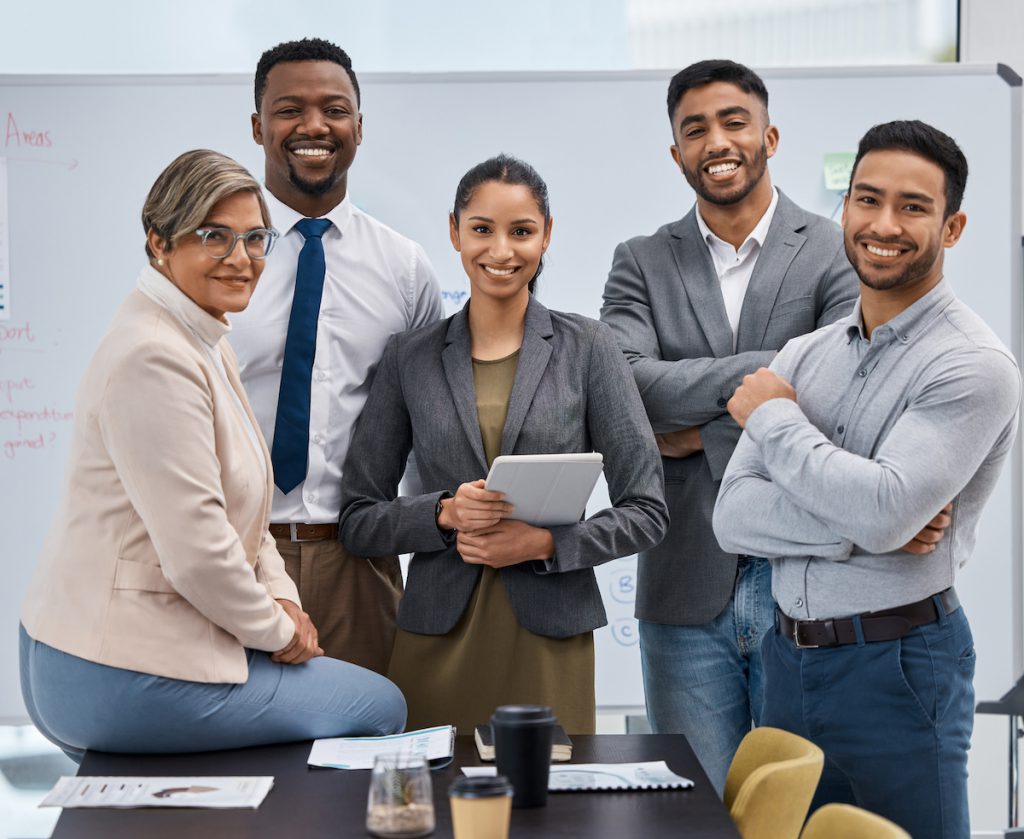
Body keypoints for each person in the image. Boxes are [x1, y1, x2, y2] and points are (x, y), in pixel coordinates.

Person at [19, 149, 406, 761]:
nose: (241, 258)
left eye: (255, 238)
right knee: (378, 707)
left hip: (109, 653)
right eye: (214, 236)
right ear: (158, 242)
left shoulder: (202, 335)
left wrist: (283, 600)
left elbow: (247, 520)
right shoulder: (156, 355)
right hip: (108, 666)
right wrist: (281, 633)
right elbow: (199, 553)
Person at [713, 120, 1020, 839]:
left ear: (954, 226)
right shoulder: (806, 349)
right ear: (843, 208)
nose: (884, 224)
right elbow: (734, 515)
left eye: (913, 206)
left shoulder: (971, 364)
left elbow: (883, 509)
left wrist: (776, 419)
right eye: (867, 199)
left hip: (899, 668)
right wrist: (866, 524)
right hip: (786, 660)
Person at [339, 155, 669, 734]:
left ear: (547, 236)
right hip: (437, 634)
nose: (501, 250)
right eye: (482, 229)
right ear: (454, 232)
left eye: (522, 231)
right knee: (440, 815)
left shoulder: (589, 347)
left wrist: (545, 543)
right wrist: (442, 514)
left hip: (549, 640)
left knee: (549, 815)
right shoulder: (408, 358)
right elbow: (358, 519)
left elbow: (646, 512)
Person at [598, 59, 858, 792]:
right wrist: (770, 380)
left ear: (768, 134)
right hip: (683, 587)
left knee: (801, 807)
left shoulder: (836, 248)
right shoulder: (640, 261)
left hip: (806, 582)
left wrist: (692, 432)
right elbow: (626, 389)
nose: (716, 140)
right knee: (696, 813)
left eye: (733, 121)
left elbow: (838, 389)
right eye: (695, 129)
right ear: (675, 152)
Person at [230, 38, 444, 675]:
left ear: (359, 125)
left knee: (364, 756)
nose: (314, 126)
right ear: (257, 126)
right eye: (289, 109)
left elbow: (428, 430)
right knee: (242, 762)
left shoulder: (405, 267)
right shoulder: (218, 261)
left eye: (335, 109)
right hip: (235, 557)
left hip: (361, 561)